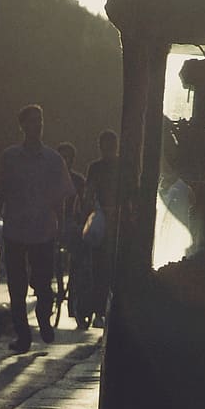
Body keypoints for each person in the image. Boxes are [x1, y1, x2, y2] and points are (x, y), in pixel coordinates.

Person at [0, 103, 75, 353]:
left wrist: (61, 226)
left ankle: (43, 318)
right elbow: (0, 193)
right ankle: (23, 336)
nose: (37, 125)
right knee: (16, 287)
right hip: (15, 230)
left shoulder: (53, 160)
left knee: (43, 284)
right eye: (31, 121)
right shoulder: (9, 157)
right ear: (22, 126)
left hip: (43, 231)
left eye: (40, 121)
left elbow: (61, 197)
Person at [83, 127, 121, 324]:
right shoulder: (124, 167)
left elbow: (88, 194)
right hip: (117, 223)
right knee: (111, 267)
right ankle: (104, 309)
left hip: (103, 221)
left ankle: (98, 310)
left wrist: (88, 212)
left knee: (98, 267)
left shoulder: (95, 168)